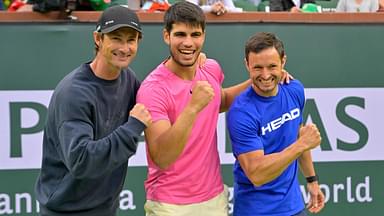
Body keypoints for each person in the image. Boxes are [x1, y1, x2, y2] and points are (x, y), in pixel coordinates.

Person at [137, 2, 292, 216]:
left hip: (214, 199)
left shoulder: (210, 68)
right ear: (166, 36)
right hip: (169, 205)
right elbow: (162, 157)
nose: (188, 43)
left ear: (204, 36)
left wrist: (262, 80)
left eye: (195, 34)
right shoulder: (152, 89)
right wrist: (192, 108)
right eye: (180, 34)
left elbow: (222, 99)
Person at [34, 5, 152, 216]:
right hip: (65, 212)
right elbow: (81, 161)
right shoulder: (74, 93)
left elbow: (158, 100)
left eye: (131, 40)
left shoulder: (128, 79)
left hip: (105, 208)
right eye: (116, 38)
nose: (124, 48)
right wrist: (132, 127)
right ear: (98, 39)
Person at [227, 32, 325, 216]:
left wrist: (312, 180)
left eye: (272, 66)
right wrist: (302, 144)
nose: (265, 75)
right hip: (256, 211)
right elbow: (257, 175)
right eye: (258, 68)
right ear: (247, 65)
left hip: (294, 207)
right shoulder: (241, 112)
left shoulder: (294, 90)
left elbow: (297, 134)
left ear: (283, 62)